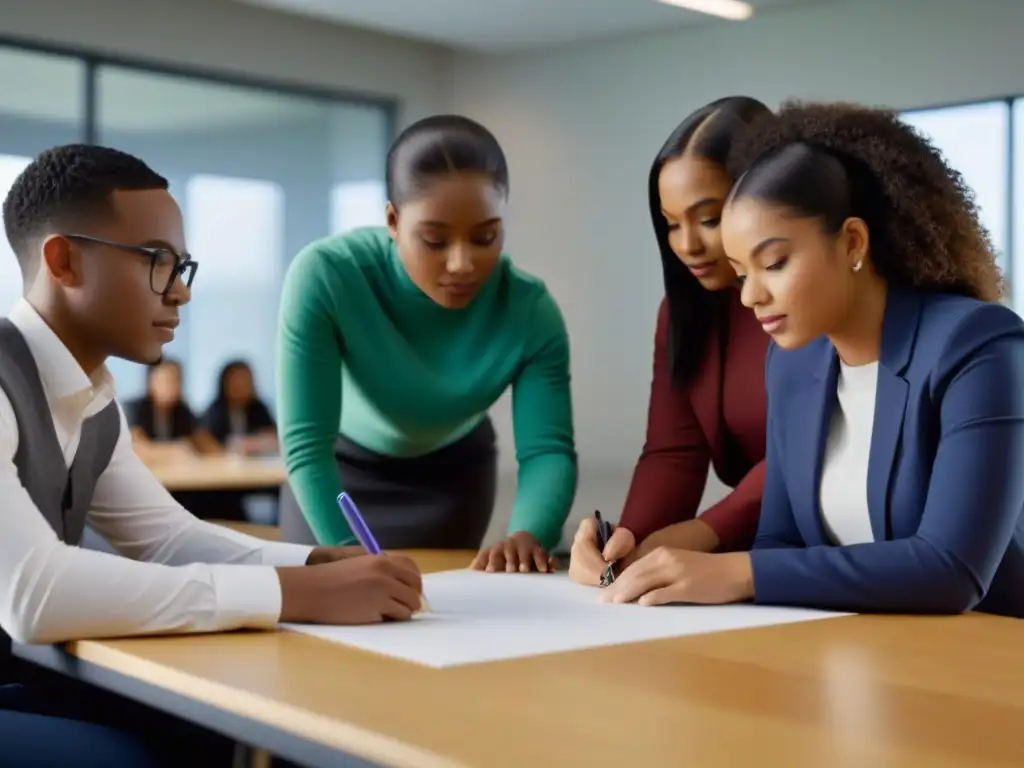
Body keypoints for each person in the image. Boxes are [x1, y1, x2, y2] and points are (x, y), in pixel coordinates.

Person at [0, 144, 424, 765]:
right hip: (22, 672)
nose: (180, 293)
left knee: (201, 728)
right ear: (63, 261)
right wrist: (298, 593)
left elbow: (169, 540)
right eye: (157, 262)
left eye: (183, 267)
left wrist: (314, 562)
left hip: (23, 679)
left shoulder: (93, 401)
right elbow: (34, 597)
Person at [599, 102, 1024, 618]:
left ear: (852, 242)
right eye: (740, 271)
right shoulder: (792, 367)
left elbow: (953, 570)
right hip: (859, 652)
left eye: (773, 263)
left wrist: (737, 572)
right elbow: (779, 541)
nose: (749, 295)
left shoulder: (978, 346)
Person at [276, 114, 576, 572]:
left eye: (486, 237)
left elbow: (547, 450)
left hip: (452, 480)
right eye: (435, 240)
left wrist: (527, 535)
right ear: (393, 221)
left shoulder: (530, 310)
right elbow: (305, 443)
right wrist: (341, 546)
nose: (462, 264)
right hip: (335, 480)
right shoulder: (328, 276)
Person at [568, 97, 773, 586]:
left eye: (708, 219)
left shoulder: (810, 304)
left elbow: (813, 452)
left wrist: (703, 531)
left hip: (835, 553)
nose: (686, 245)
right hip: (749, 555)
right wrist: (628, 541)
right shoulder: (684, 311)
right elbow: (673, 450)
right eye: (671, 223)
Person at [125, 358, 221, 460]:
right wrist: (172, 451)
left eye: (176, 380)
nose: (171, 386)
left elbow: (206, 443)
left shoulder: (182, 409)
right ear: (150, 382)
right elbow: (136, 448)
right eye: (165, 380)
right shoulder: (134, 409)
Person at [201, 359, 277, 455]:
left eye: (245, 380)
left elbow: (272, 436)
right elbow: (206, 441)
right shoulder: (214, 411)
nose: (241, 385)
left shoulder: (259, 408)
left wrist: (251, 444)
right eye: (236, 380)